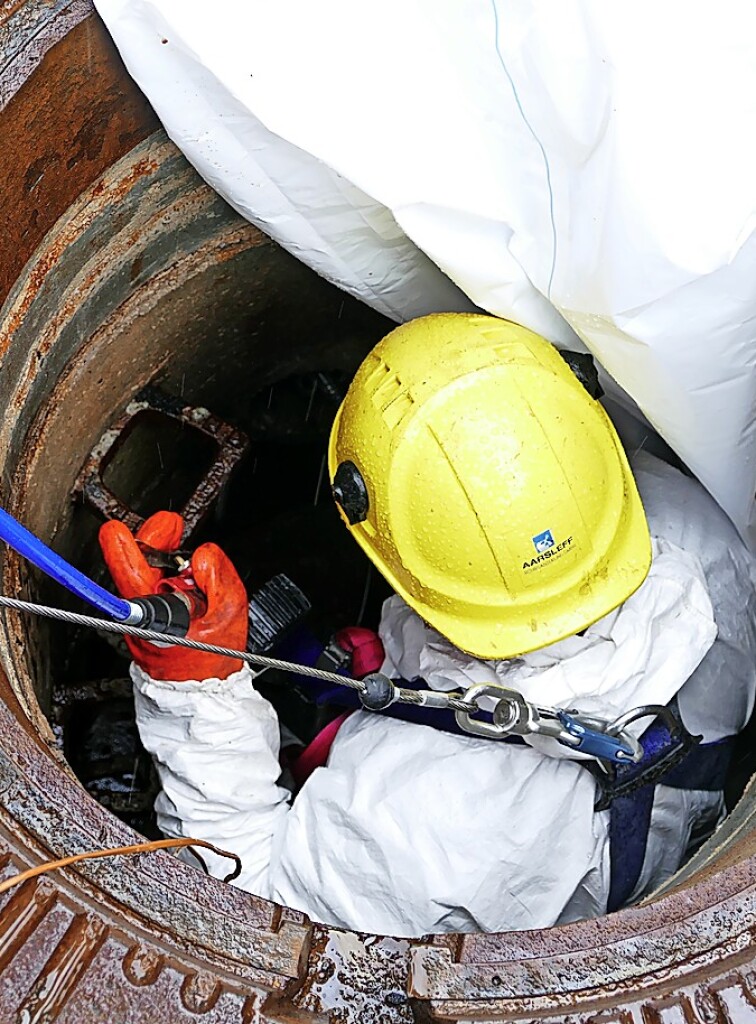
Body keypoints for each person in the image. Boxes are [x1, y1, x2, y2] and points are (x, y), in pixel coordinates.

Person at [99, 314, 756, 938]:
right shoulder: (690, 527)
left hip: (499, 876)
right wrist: (406, 672)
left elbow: (249, 905)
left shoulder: (429, 827)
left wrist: (193, 689)